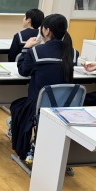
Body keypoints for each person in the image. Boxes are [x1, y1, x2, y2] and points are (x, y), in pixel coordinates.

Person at [9, 13, 77, 161]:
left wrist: (26, 48)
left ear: (46, 31)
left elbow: (23, 71)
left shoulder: (36, 51)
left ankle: (25, 148)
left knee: (16, 106)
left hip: (39, 105)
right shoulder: (73, 53)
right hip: (65, 106)